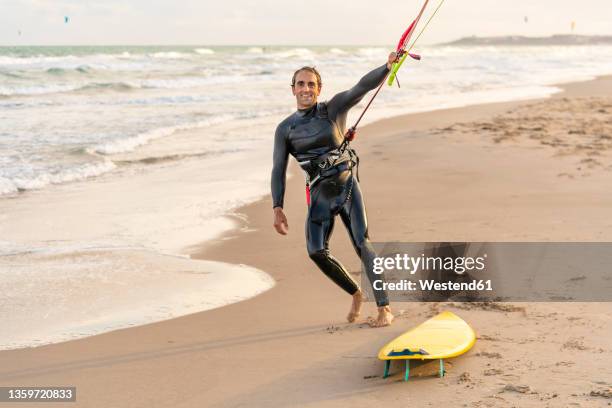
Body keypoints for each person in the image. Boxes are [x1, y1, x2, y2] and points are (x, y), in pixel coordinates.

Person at [271, 53, 398, 327]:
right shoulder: (285, 129)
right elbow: (277, 169)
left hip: (346, 185)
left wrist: (387, 67)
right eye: (301, 84)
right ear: (292, 89)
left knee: (362, 244)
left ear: (319, 88)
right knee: (316, 251)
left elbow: (361, 88)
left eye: (311, 84)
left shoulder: (333, 110)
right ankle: (355, 293)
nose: (306, 89)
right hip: (319, 194)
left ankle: (384, 308)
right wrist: (277, 206)